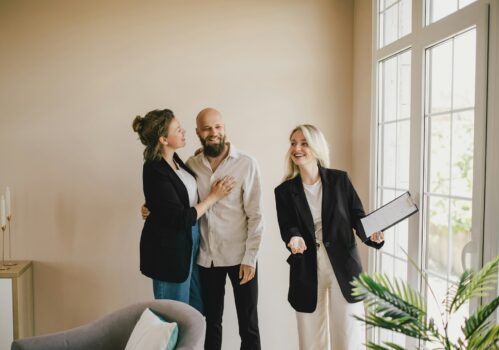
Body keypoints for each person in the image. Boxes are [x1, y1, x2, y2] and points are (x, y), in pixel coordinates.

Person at [143, 108, 264, 350]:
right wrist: (153, 206)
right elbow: (177, 203)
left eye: (218, 127)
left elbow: (257, 215)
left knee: (248, 325)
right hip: (206, 258)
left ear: (224, 128)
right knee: (210, 323)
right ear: (199, 132)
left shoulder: (246, 164)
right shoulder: (190, 164)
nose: (214, 133)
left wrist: (251, 257)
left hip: (242, 258)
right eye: (207, 128)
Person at [274, 124, 385, 350]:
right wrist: (294, 238)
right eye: (293, 143)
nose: (297, 148)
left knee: (349, 335)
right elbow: (288, 226)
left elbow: (357, 217)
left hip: (343, 264)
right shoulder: (284, 191)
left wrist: (373, 235)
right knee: (311, 339)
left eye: (304, 143)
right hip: (306, 264)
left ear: (316, 147)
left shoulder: (340, 180)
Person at [132, 108, 234, 314]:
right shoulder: (153, 169)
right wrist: (214, 197)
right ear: (163, 139)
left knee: (196, 311)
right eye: (178, 130)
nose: (184, 132)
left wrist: (152, 205)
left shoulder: (177, 161)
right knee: (174, 318)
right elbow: (179, 218)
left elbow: (175, 196)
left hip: (191, 245)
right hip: (170, 253)